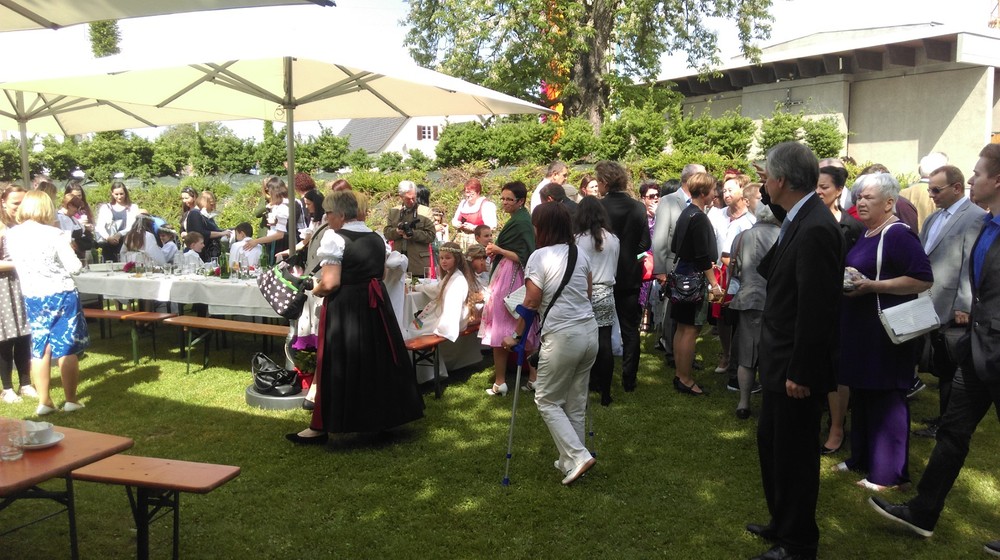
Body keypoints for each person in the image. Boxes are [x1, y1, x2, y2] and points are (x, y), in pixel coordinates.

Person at [869, 144, 1000, 557]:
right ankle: (923, 512)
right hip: (977, 350)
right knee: (952, 432)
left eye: (978, 173)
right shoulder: (987, 225)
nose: (972, 179)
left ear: (997, 181)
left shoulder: (982, 221)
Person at [747, 142, 844, 560]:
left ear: (782, 180)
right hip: (780, 358)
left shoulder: (816, 226)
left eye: (768, 176)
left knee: (795, 455)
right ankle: (782, 522)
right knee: (772, 443)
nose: (764, 183)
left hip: (795, 366)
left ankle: (798, 542)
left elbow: (816, 308)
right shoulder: (800, 214)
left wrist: (801, 370)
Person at [286, 190, 423, 444]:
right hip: (375, 305)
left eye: (329, 213)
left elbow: (330, 283)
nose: (327, 218)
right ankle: (378, 420)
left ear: (340, 214)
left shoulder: (335, 238)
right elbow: (381, 275)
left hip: (346, 306)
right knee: (374, 360)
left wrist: (314, 289)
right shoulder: (376, 237)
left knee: (339, 362)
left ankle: (324, 426)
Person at [837, 173, 933, 491]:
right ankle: (862, 458)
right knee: (863, 393)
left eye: (868, 197)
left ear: (889, 202)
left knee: (886, 397)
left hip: (887, 331)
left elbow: (922, 278)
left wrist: (873, 286)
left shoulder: (897, 234)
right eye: (858, 197)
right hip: (862, 328)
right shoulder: (868, 233)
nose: (860, 202)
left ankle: (889, 474)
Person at [501, 202, 597, 485]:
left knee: (546, 399)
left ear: (541, 228)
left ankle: (578, 457)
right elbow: (588, 293)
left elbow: (531, 301)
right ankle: (570, 461)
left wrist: (516, 336)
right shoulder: (580, 253)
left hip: (563, 335)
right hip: (588, 331)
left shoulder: (539, 256)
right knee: (575, 402)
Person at [912, 165, 986, 439]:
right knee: (939, 363)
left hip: (952, 306)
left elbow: (970, 263)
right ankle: (942, 418)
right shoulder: (934, 217)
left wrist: (964, 304)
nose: (931, 194)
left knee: (951, 365)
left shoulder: (975, 217)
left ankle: (947, 422)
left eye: (936, 189)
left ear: (956, 188)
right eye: (929, 189)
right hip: (928, 300)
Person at [6, 190, 89, 416]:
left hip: (33, 295)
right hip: (61, 293)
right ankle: (71, 400)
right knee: (67, 347)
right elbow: (74, 267)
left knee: (40, 347)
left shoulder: (12, 235)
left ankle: (44, 401)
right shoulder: (54, 234)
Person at [816, 164, 865, 455]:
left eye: (824, 187)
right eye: (815, 186)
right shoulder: (805, 219)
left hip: (843, 307)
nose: (818, 191)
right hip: (812, 305)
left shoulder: (853, 227)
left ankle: (837, 427)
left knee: (838, 368)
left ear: (838, 190)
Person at [597, 160, 650, 393]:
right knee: (630, 330)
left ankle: (601, 379)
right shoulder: (638, 207)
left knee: (602, 329)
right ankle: (629, 379)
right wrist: (631, 257)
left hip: (603, 275)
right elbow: (645, 243)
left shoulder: (599, 207)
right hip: (629, 275)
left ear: (604, 182)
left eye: (598, 181)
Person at [669, 172, 722, 397]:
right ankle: (685, 378)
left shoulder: (686, 212)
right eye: (713, 190)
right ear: (703, 192)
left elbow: (675, 246)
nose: (715, 193)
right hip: (693, 278)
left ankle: (680, 375)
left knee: (682, 328)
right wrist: (714, 284)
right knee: (691, 329)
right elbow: (702, 256)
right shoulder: (698, 217)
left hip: (682, 275)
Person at [481, 181, 536, 396]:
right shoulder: (519, 219)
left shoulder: (522, 222)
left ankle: (502, 381)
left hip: (511, 279)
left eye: (509, 199)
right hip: (508, 276)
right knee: (520, 325)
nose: (504, 202)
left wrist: (499, 250)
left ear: (520, 201)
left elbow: (525, 256)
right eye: (502, 198)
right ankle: (530, 379)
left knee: (503, 326)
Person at [729, 204, 780, 419]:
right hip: (776, 301)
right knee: (774, 355)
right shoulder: (784, 235)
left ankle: (743, 403)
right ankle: (770, 403)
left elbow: (734, 269)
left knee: (747, 355)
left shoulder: (742, 236)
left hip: (748, 298)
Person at [652, 163, 706, 363]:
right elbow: (659, 237)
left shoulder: (701, 202)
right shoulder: (668, 201)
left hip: (692, 268)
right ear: (691, 179)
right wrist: (660, 270)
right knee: (671, 312)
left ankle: (684, 354)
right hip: (671, 265)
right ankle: (671, 351)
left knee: (687, 315)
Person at [574, 196, 619, 406]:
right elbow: (614, 268)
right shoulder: (613, 239)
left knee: (582, 341)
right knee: (604, 342)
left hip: (582, 294)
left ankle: (585, 384)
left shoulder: (577, 240)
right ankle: (605, 392)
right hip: (606, 293)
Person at [0, 185, 34, 405]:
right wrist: (19, 263)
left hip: (23, 284)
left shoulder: (22, 226)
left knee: (25, 334)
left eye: (23, 203)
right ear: (3, 202)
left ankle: (25, 383)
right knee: (5, 337)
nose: (19, 207)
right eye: (15, 203)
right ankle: (7, 388)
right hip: (3, 287)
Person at [384, 180, 436, 278]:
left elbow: (431, 236)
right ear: (401, 196)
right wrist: (397, 232)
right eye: (408, 199)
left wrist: (413, 234)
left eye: (414, 197)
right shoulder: (394, 212)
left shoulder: (425, 212)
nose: (412, 201)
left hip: (418, 263)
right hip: (398, 263)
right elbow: (387, 233)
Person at [243, 178, 290, 260]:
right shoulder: (290, 202)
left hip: (281, 243)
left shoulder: (283, 206)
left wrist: (256, 241)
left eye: (269, 191)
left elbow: (280, 234)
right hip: (278, 239)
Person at [95, 182, 141, 262]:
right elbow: (100, 226)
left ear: (125, 193)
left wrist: (119, 234)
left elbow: (132, 226)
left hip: (126, 244)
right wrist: (108, 238)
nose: (119, 197)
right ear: (112, 194)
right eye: (116, 194)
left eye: (121, 194)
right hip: (108, 245)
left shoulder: (133, 207)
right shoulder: (105, 208)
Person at [451, 178, 498, 250]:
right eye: (467, 192)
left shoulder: (486, 205)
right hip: (461, 240)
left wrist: (474, 228)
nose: (468, 195)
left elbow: (491, 227)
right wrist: (457, 224)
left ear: (478, 192)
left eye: (471, 193)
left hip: (477, 241)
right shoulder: (463, 203)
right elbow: (455, 220)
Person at [185, 191, 231, 262]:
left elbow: (215, 230)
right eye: (211, 205)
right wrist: (221, 233)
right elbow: (201, 233)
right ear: (204, 202)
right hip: (200, 253)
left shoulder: (204, 215)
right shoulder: (195, 213)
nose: (213, 208)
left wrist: (227, 231)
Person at [637, 181, 659, 332]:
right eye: (651, 196)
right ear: (643, 198)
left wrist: (658, 215)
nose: (655, 199)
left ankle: (654, 320)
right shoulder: (640, 215)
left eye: (657, 195)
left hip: (658, 255)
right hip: (644, 256)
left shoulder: (661, 214)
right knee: (644, 287)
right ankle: (644, 319)